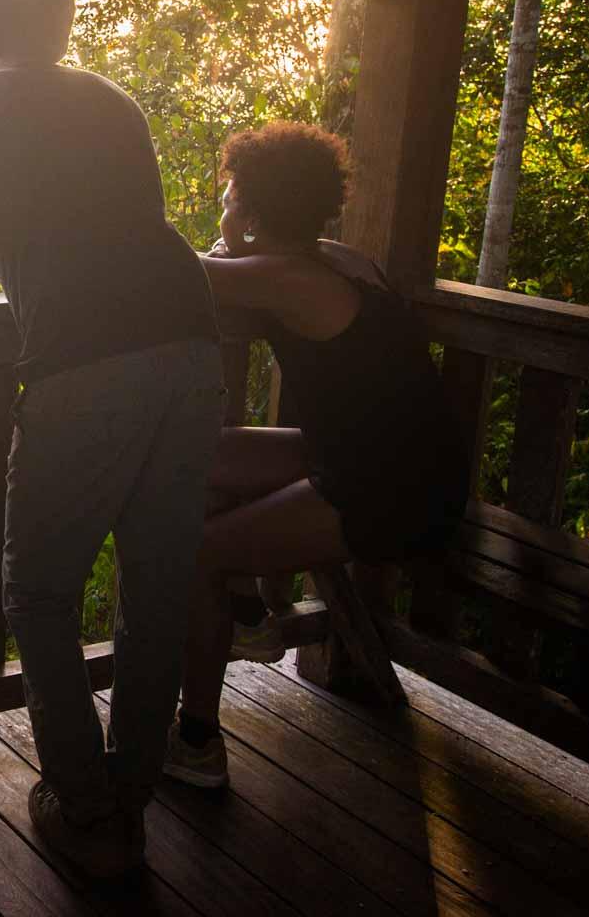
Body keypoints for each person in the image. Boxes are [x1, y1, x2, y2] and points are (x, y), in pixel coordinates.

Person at [0, 0, 221, 879]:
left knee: (39, 592)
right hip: (191, 340)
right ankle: (128, 790)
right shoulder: (111, 102)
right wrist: (1, 270)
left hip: (85, 366)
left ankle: (84, 804)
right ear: (62, 29)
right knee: (157, 582)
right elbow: (105, 234)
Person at [163, 121, 468, 789]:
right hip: (381, 456)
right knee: (194, 459)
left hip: (390, 489)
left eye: (229, 194)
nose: (223, 204)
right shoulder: (337, 260)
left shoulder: (285, 279)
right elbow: (224, 262)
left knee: (197, 551)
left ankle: (196, 739)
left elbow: (167, 272)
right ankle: (247, 616)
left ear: (253, 210)